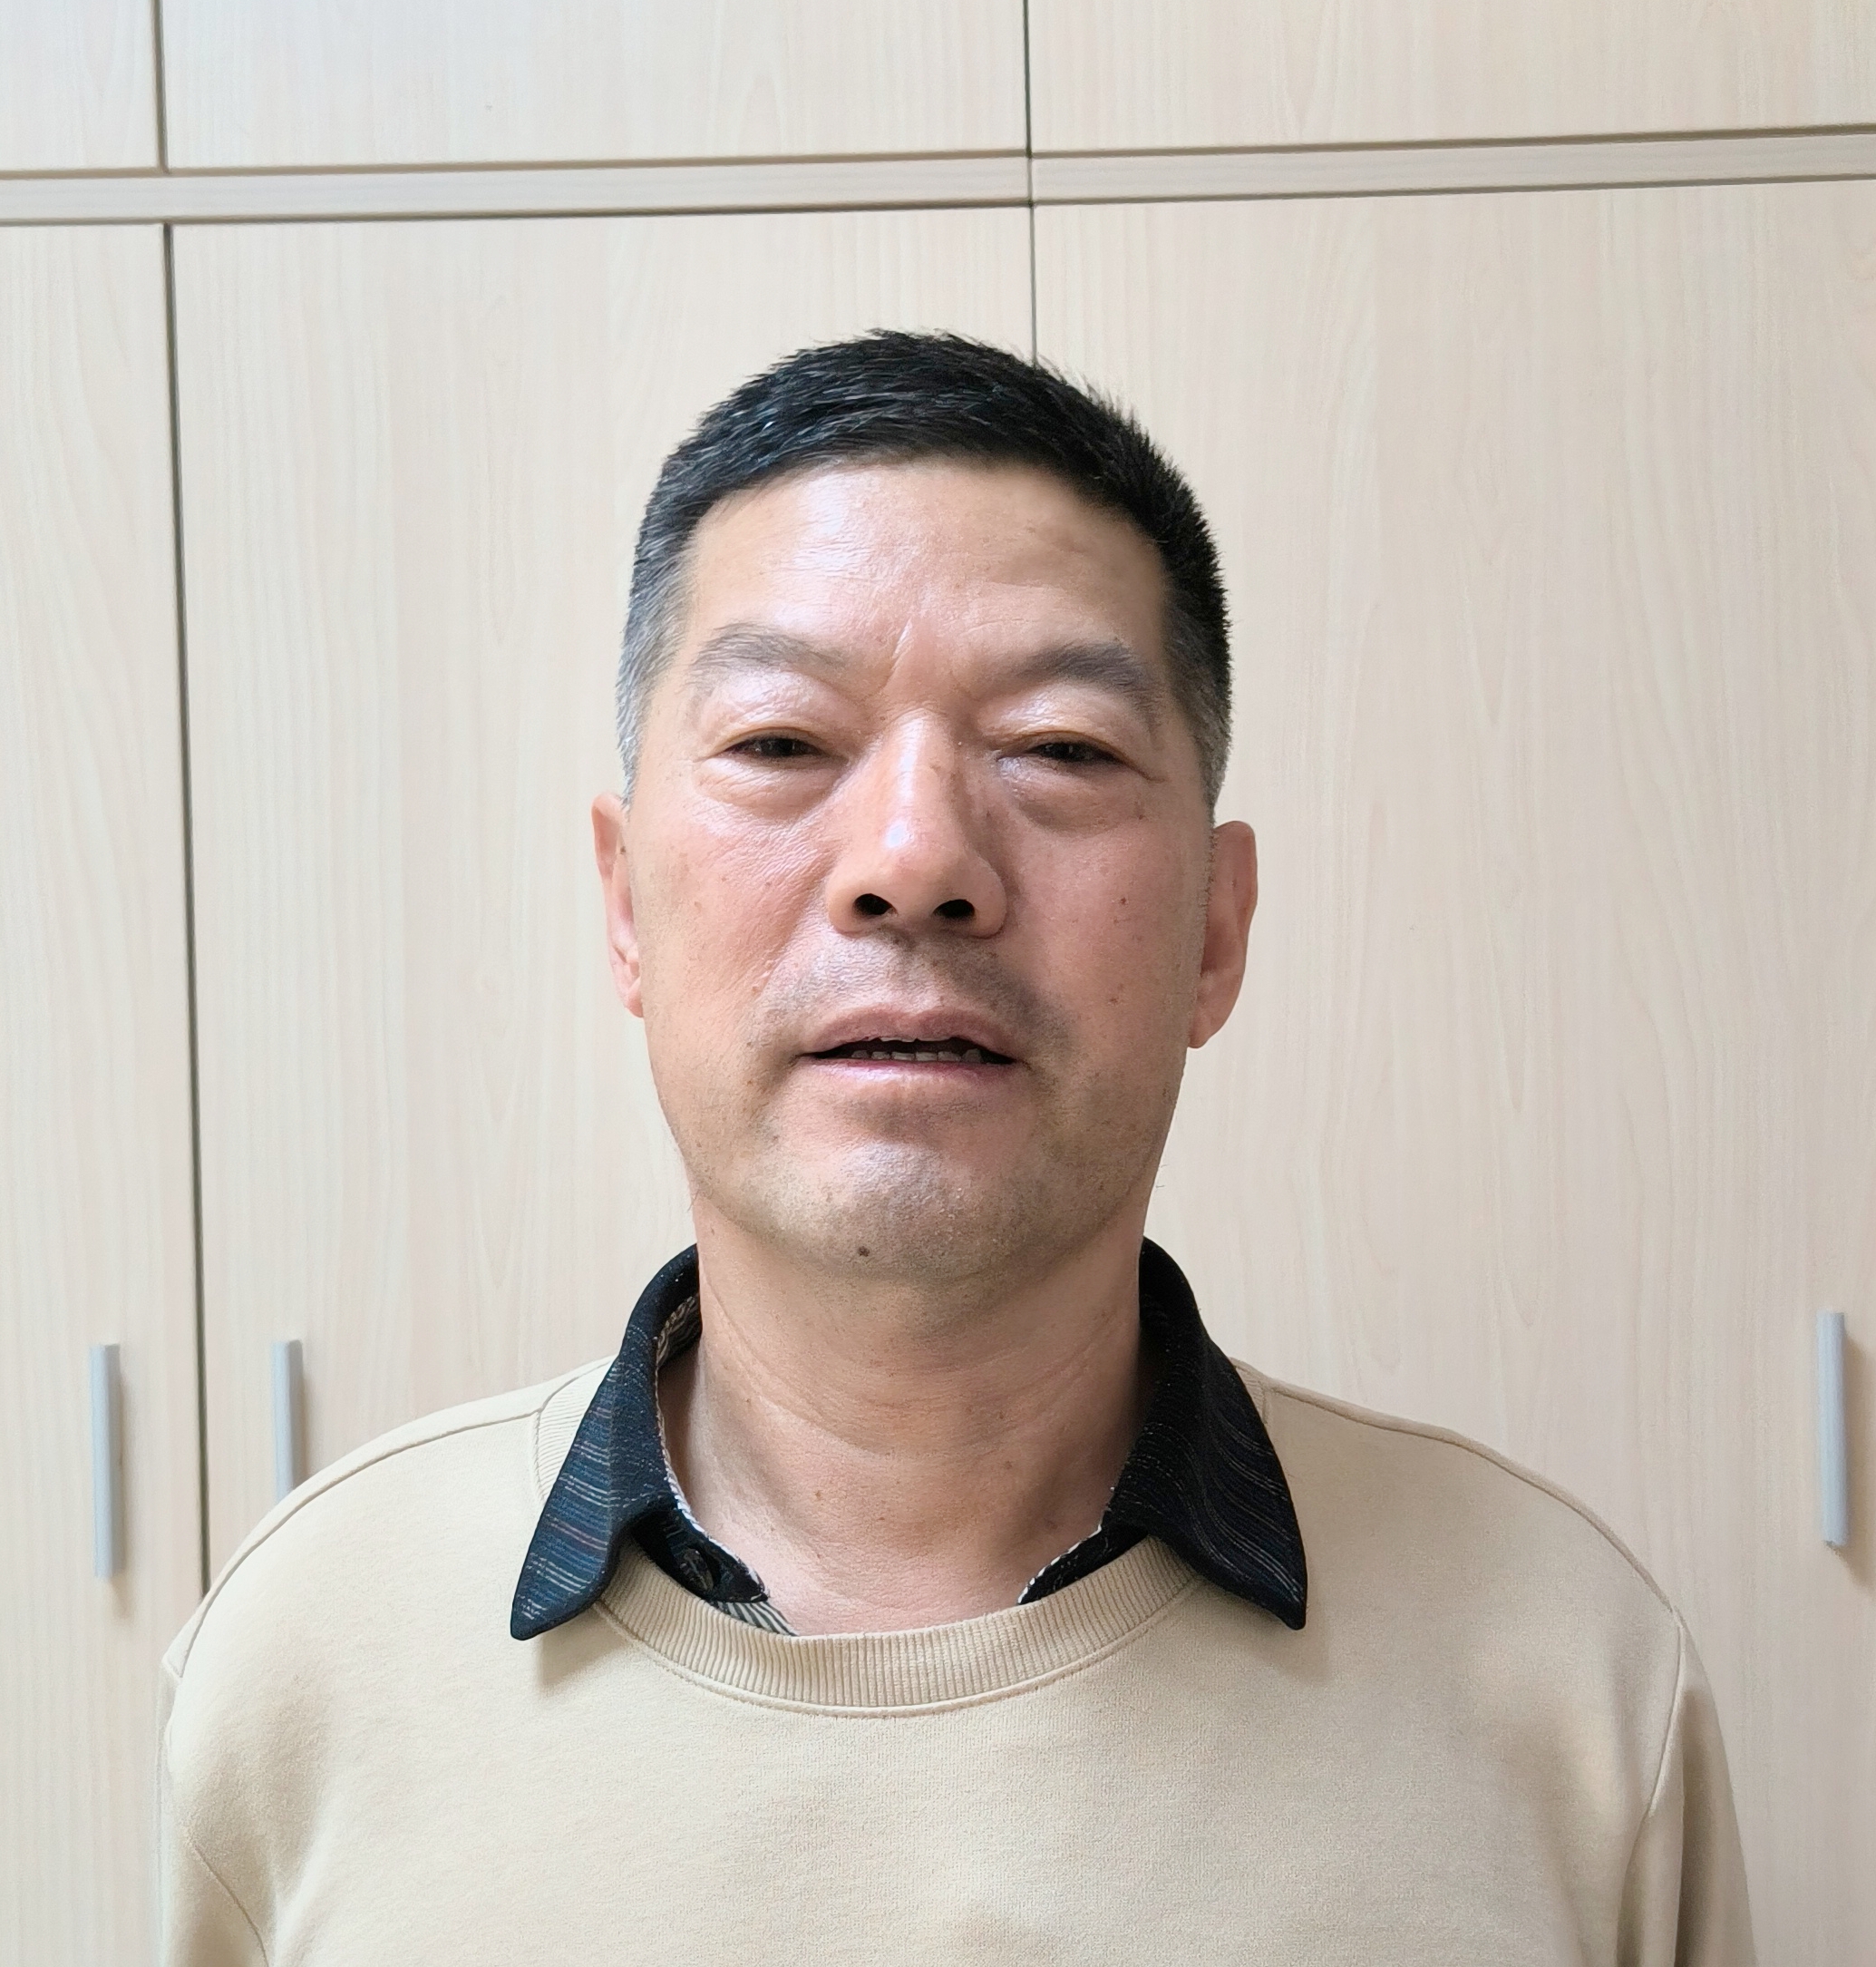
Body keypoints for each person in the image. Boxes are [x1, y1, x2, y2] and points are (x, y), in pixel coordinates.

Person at [158, 332, 1754, 1963]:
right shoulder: (309, 1660)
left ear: (1215, 930)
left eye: (1058, 748)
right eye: (783, 743)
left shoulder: (1568, 1682)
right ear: (624, 903)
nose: (916, 858)